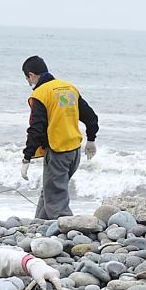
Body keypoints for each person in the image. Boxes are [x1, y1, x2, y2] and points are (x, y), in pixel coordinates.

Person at [21, 56, 99, 219]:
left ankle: (69, 233)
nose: (28, 83)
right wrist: (91, 139)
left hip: (58, 153)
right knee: (49, 192)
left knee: (56, 202)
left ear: (31, 75)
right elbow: (91, 116)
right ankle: (38, 225)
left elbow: (36, 128)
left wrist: (27, 157)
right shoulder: (68, 88)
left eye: (27, 78)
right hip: (74, 152)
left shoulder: (41, 94)